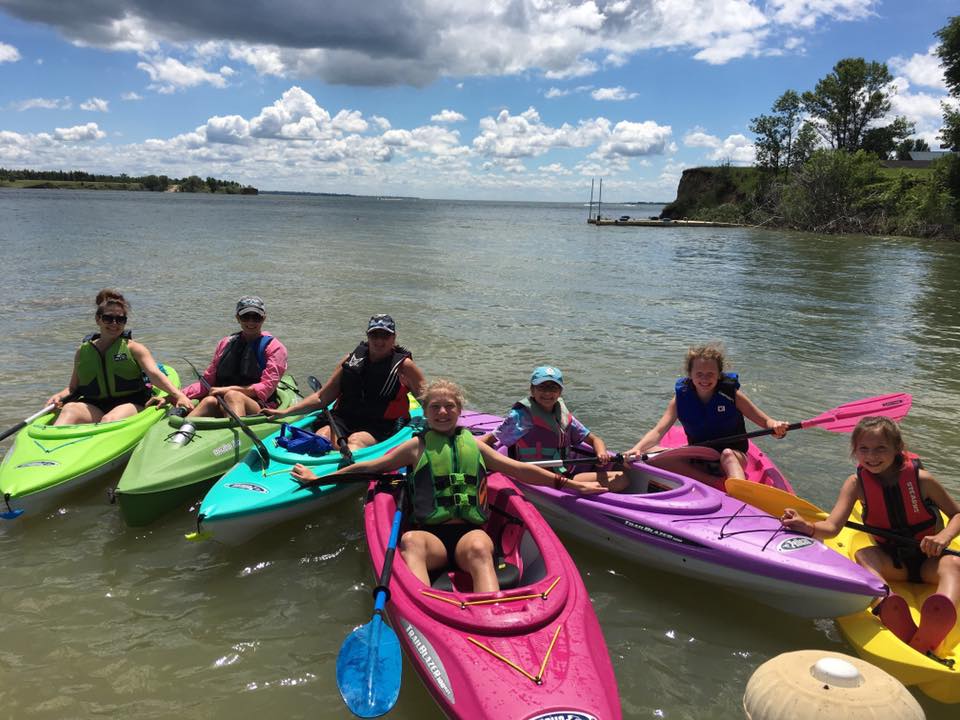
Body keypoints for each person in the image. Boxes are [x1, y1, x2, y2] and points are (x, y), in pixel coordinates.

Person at [291, 379, 606, 593]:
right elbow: (368, 468)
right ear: (426, 412)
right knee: (411, 541)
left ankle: (491, 614)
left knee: (482, 546)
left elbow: (521, 470)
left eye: (450, 406)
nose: (443, 412)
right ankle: (424, 608)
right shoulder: (415, 447)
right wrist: (318, 479)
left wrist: (568, 485)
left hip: (468, 536)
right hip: (433, 540)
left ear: (459, 410)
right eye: (435, 407)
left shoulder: (477, 447)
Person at [782, 416, 960, 654]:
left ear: (898, 449)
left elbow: (957, 515)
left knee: (953, 563)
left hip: (929, 560)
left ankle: (942, 610)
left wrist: (944, 537)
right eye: (863, 449)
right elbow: (833, 527)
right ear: (855, 452)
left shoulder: (922, 480)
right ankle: (887, 602)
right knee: (865, 556)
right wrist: (807, 526)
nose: (871, 456)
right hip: (892, 562)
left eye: (880, 449)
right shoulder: (855, 484)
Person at [626, 343, 788, 489]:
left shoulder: (732, 396)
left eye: (710, 373)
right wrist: (636, 449)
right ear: (690, 374)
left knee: (727, 454)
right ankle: (716, 484)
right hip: (699, 456)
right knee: (652, 455)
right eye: (699, 373)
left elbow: (766, 421)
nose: (705, 379)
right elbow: (658, 431)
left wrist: (776, 427)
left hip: (734, 456)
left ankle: (741, 492)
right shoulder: (680, 399)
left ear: (719, 374)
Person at [264, 314, 425, 450]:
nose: (379, 341)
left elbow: (427, 399)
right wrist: (284, 412)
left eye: (385, 336)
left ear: (394, 338)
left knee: (356, 441)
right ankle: (310, 472)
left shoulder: (404, 366)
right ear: (367, 336)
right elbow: (322, 397)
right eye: (374, 335)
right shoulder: (350, 360)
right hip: (345, 417)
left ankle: (342, 474)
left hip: (382, 424)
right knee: (322, 436)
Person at [46, 289, 191, 425]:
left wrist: (178, 396)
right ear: (98, 319)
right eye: (108, 318)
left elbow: (154, 374)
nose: (114, 324)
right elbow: (73, 388)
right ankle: (50, 449)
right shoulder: (83, 351)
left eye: (120, 319)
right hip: (96, 405)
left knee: (110, 419)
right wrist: (59, 396)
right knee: (70, 409)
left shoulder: (134, 348)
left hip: (131, 403)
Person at [480, 365, 627, 492]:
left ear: (560, 392)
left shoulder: (563, 415)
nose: (548, 393)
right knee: (597, 485)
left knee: (622, 479)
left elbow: (595, 439)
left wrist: (601, 452)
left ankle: (580, 489)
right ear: (532, 390)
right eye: (542, 387)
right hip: (538, 476)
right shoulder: (522, 416)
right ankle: (581, 492)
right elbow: (490, 439)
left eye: (553, 388)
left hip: (565, 473)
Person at [181, 296, 288, 417]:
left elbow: (267, 387)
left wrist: (228, 390)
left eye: (256, 317)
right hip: (223, 401)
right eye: (245, 317)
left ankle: (239, 433)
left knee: (233, 395)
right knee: (209, 401)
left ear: (263, 318)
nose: (251, 322)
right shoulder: (225, 343)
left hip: (259, 405)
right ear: (238, 318)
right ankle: (182, 430)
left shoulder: (275, 348)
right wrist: (177, 395)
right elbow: (206, 383)